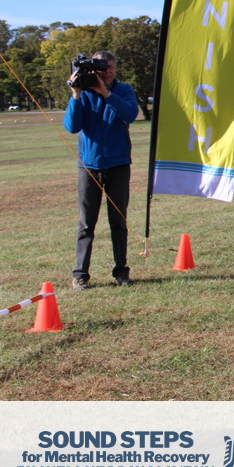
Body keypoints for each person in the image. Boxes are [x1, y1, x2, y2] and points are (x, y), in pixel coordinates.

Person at [62, 51, 138, 291]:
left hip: (118, 165)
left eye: (110, 68)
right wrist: (76, 94)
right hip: (89, 168)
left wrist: (106, 94)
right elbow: (72, 126)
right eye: (102, 69)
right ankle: (80, 275)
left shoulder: (123, 90)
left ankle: (121, 272)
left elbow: (130, 115)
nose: (107, 73)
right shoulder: (83, 92)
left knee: (118, 221)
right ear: (92, 70)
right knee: (86, 223)